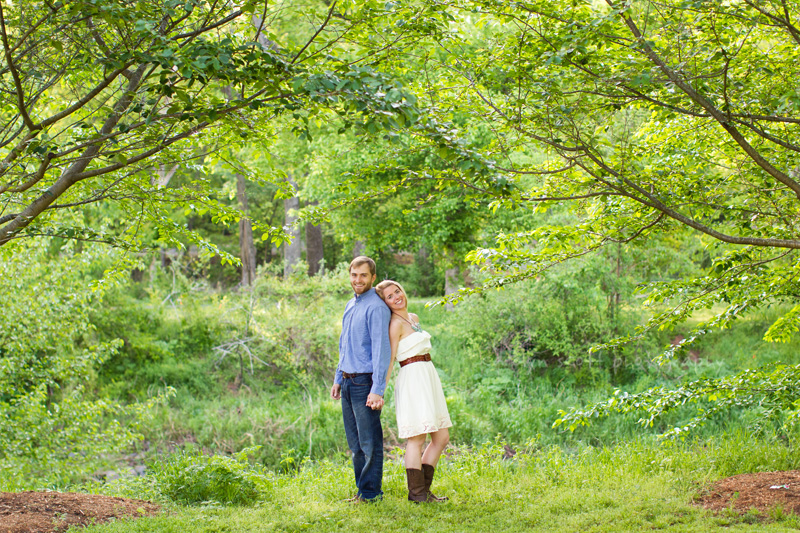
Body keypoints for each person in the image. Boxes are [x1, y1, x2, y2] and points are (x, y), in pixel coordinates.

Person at [375, 279, 452, 503]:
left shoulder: (414, 318)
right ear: (385, 303)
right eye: (389, 296)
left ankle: (424, 490)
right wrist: (379, 390)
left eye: (396, 291)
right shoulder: (395, 324)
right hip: (412, 378)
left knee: (442, 436)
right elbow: (389, 360)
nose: (396, 297)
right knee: (417, 437)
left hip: (428, 376)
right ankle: (417, 494)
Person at [330, 256, 391, 503]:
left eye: (363, 275)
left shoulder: (376, 307)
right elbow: (345, 345)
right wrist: (337, 377)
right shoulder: (350, 304)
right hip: (346, 380)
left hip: (364, 383)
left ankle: (371, 493)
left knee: (370, 443)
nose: (358, 280)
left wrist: (377, 390)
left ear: (373, 277)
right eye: (354, 275)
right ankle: (362, 491)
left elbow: (381, 351)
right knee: (355, 444)